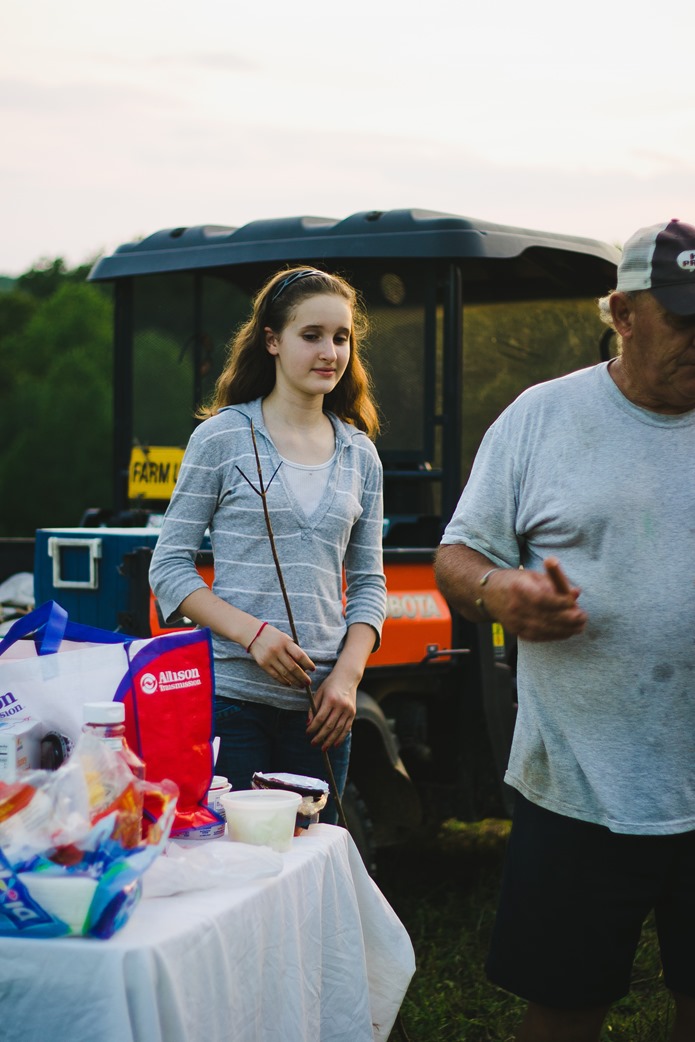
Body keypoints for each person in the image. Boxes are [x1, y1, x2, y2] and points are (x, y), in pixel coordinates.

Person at [434, 219, 695, 1042]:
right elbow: (457, 556)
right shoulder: (541, 418)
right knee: (564, 1005)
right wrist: (497, 591)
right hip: (577, 781)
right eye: (683, 317)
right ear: (621, 312)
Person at [149, 267, 387, 823]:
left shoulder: (361, 456)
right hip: (232, 706)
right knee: (239, 869)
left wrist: (347, 680)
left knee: (311, 868)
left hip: (323, 712)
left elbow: (370, 585)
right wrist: (252, 635)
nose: (330, 351)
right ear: (272, 340)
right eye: (312, 336)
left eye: (341, 337)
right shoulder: (222, 437)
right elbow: (170, 567)